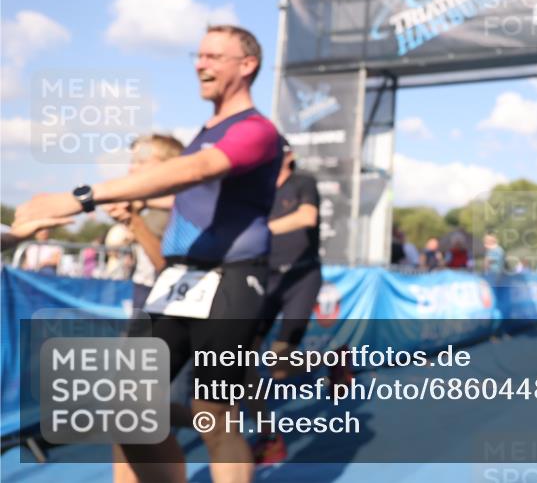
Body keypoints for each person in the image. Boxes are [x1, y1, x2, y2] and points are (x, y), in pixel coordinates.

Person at [15, 24, 281, 483]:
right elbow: (191, 195)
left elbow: (197, 170)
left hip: (234, 278)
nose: (201, 64)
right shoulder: (206, 131)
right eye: (198, 56)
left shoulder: (257, 130)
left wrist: (81, 197)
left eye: (214, 56)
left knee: (213, 413)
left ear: (247, 65)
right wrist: (136, 204)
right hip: (178, 281)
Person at [244, 140, 324, 465]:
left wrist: (261, 230)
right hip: (266, 278)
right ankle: (268, 435)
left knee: (279, 365)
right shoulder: (257, 189)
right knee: (244, 358)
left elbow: (308, 216)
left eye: (274, 152)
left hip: (301, 276)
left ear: (288, 155)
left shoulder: (303, 182)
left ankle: (327, 362)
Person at [105, 134, 184, 308]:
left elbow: (165, 267)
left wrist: (133, 220)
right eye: (132, 162)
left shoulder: (177, 210)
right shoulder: (147, 207)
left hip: (165, 295)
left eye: (141, 162)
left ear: (169, 165)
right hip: (143, 289)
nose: (132, 169)